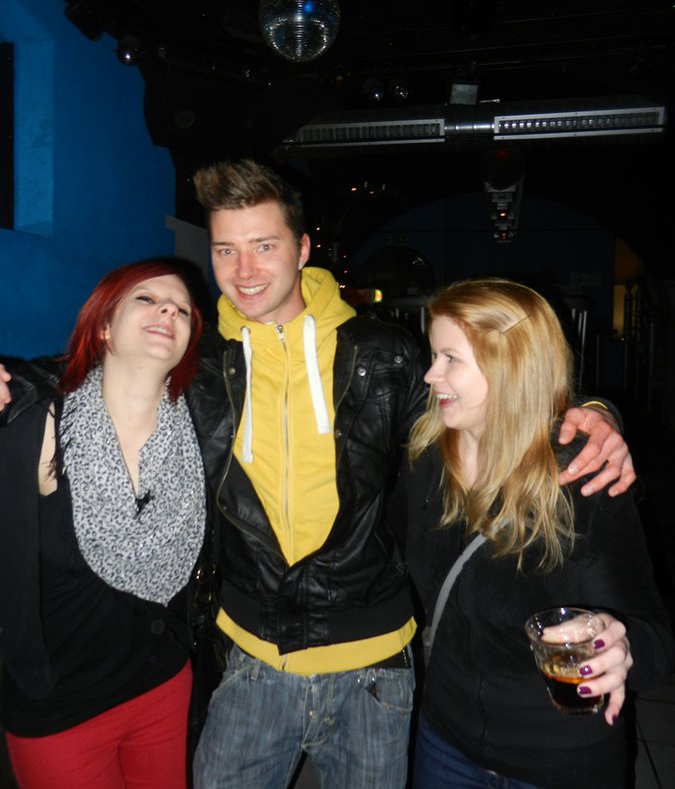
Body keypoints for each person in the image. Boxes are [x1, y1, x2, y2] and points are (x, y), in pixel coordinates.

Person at [0, 160, 636, 789]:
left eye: (264, 246)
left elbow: (481, 406)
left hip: (373, 661)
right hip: (249, 655)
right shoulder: (200, 360)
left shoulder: (384, 354)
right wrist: (16, 382)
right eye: (225, 250)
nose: (244, 271)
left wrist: (588, 414)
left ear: (303, 249)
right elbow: (103, 371)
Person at [397, 277, 674, 789]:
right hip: (445, 741)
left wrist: (624, 647)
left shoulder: (581, 476)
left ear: (511, 366)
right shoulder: (426, 459)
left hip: (560, 760)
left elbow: (655, 638)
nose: (431, 374)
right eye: (434, 355)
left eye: (450, 358)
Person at [0, 259, 207, 789]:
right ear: (103, 327)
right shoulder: (37, 423)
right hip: (60, 707)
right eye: (147, 299)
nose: (169, 311)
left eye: (182, 309)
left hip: (163, 684)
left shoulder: (203, 424)